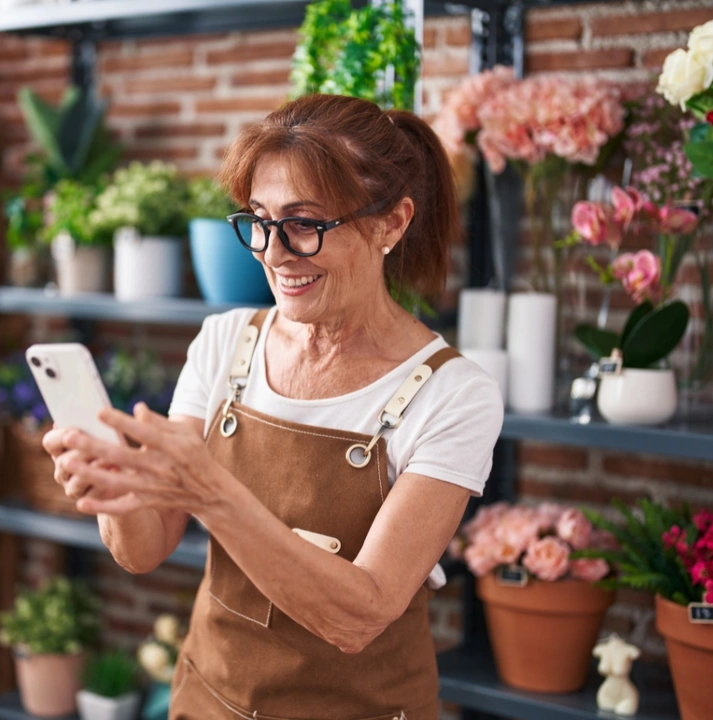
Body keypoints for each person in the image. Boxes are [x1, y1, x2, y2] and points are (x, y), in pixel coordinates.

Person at [44, 94, 503, 720]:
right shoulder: (225, 342)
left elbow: (359, 614)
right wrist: (113, 493)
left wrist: (212, 492)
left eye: (305, 223)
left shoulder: (453, 394)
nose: (273, 251)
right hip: (211, 699)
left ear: (391, 224)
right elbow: (145, 547)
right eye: (259, 220)